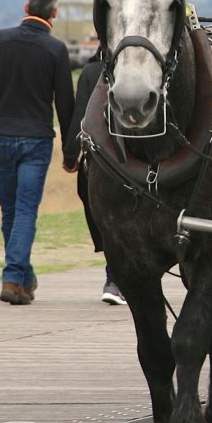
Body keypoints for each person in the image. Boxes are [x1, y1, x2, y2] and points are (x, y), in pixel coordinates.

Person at [0, 0, 75, 305]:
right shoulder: (56, 50)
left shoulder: (1, 39)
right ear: (54, 12)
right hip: (37, 139)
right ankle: (14, 277)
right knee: (26, 210)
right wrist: (71, 152)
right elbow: (65, 105)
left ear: (26, 6)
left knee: (10, 210)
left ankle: (23, 278)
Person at [65, 48, 125, 305]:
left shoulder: (90, 72)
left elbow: (81, 117)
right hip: (132, 162)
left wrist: (70, 156)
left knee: (108, 222)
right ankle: (117, 280)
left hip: (99, 162)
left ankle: (113, 279)